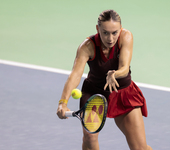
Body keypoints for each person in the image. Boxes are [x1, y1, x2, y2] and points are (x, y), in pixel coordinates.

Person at [57, 9, 153, 150]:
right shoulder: (87, 47)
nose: (110, 38)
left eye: (114, 33)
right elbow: (75, 74)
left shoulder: (126, 37)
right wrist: (63, 102)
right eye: (105, 33)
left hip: (123, 93)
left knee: (140, 148)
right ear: (98, 29)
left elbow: (124, 67)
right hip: (95, 95)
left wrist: (114, 74)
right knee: (89, 138)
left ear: (120, 29)